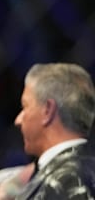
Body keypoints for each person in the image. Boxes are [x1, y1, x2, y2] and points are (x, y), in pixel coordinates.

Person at [13, 62, 95, 200]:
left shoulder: (66, 180)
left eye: (25, 107)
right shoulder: (76, 169)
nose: (18, 120)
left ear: (48, 110)